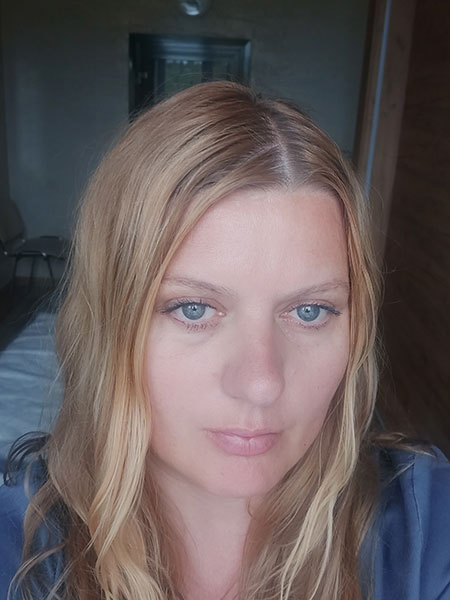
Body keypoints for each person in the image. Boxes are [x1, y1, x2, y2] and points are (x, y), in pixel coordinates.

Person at [1, 81, 450, 600]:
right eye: (193, 309)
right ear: (111, 323)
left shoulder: (424, 527)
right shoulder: (19, 548)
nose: (261, 382)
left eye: (309, 311)